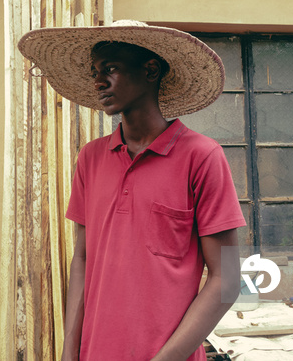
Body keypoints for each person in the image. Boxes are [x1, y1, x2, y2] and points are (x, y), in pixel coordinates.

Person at [17, 21, 246, 361]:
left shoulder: (202, 156)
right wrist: (69, 352)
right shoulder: (91, 158)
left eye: (110, 69)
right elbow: (82, 258)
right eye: (95, 71)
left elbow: (227, 278)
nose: (98, 81)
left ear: (150, 70)